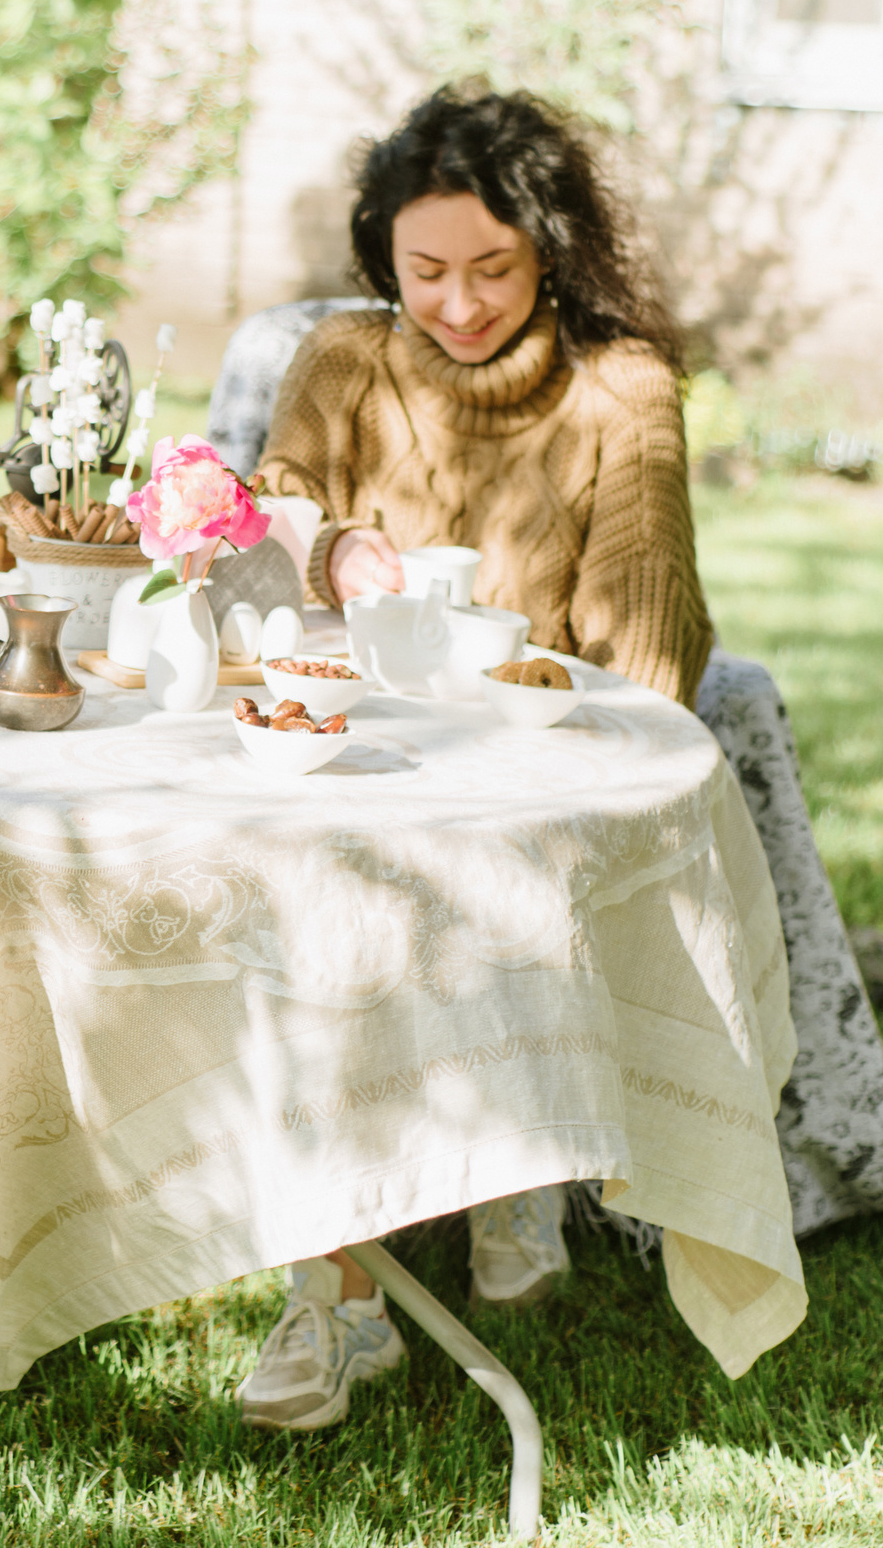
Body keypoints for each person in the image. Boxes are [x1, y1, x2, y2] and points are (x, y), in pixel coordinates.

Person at [237, 80, 713, 1433]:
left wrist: (594, 777)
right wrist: (330, 548)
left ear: (552, 247)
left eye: (493, 268)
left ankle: (510, 1160)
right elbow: (264, 521)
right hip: (359, 744)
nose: (456, 303)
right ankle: (334, 1291)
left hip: (532, 757)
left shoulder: (623, 389)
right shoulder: (343, 359)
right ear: (382, 254)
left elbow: (645, 613)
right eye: (424, 269)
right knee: (304, 898)